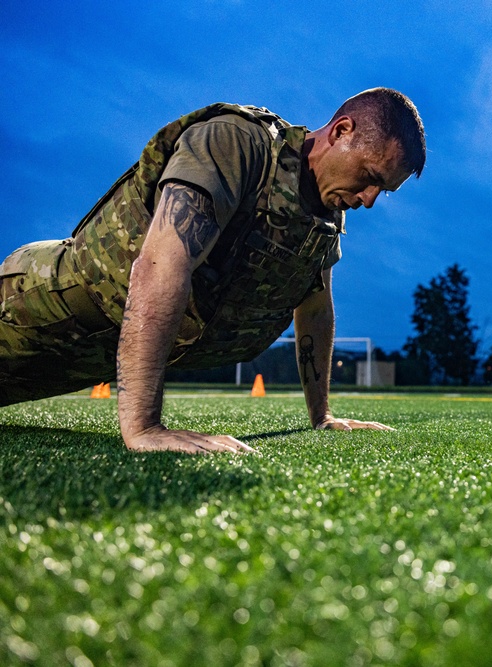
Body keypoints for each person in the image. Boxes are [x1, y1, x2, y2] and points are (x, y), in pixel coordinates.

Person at [0, 88, 426, 455]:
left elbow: (314, 310)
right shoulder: (236, 142)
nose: (369, 199)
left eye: (382, 190)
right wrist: (144, 428)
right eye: (369, 177)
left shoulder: (326, 217)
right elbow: (162, 262)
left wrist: (322, 416)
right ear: (340, 131)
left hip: (92, 352)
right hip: (42, 304)